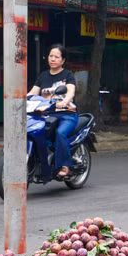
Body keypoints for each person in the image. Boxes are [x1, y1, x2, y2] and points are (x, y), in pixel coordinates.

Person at [29, 45, 78, 178]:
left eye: (57, 57)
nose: (53, 59)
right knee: (35, 132)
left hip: (66, 114)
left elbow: (70, 91)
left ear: (62, 61)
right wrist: (19, 100)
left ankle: (65, 165)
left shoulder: (68, 75)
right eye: (51, 56)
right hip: (47, 114)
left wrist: (65, 101)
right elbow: (33, 92)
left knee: (60, 133)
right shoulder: (43, 76)